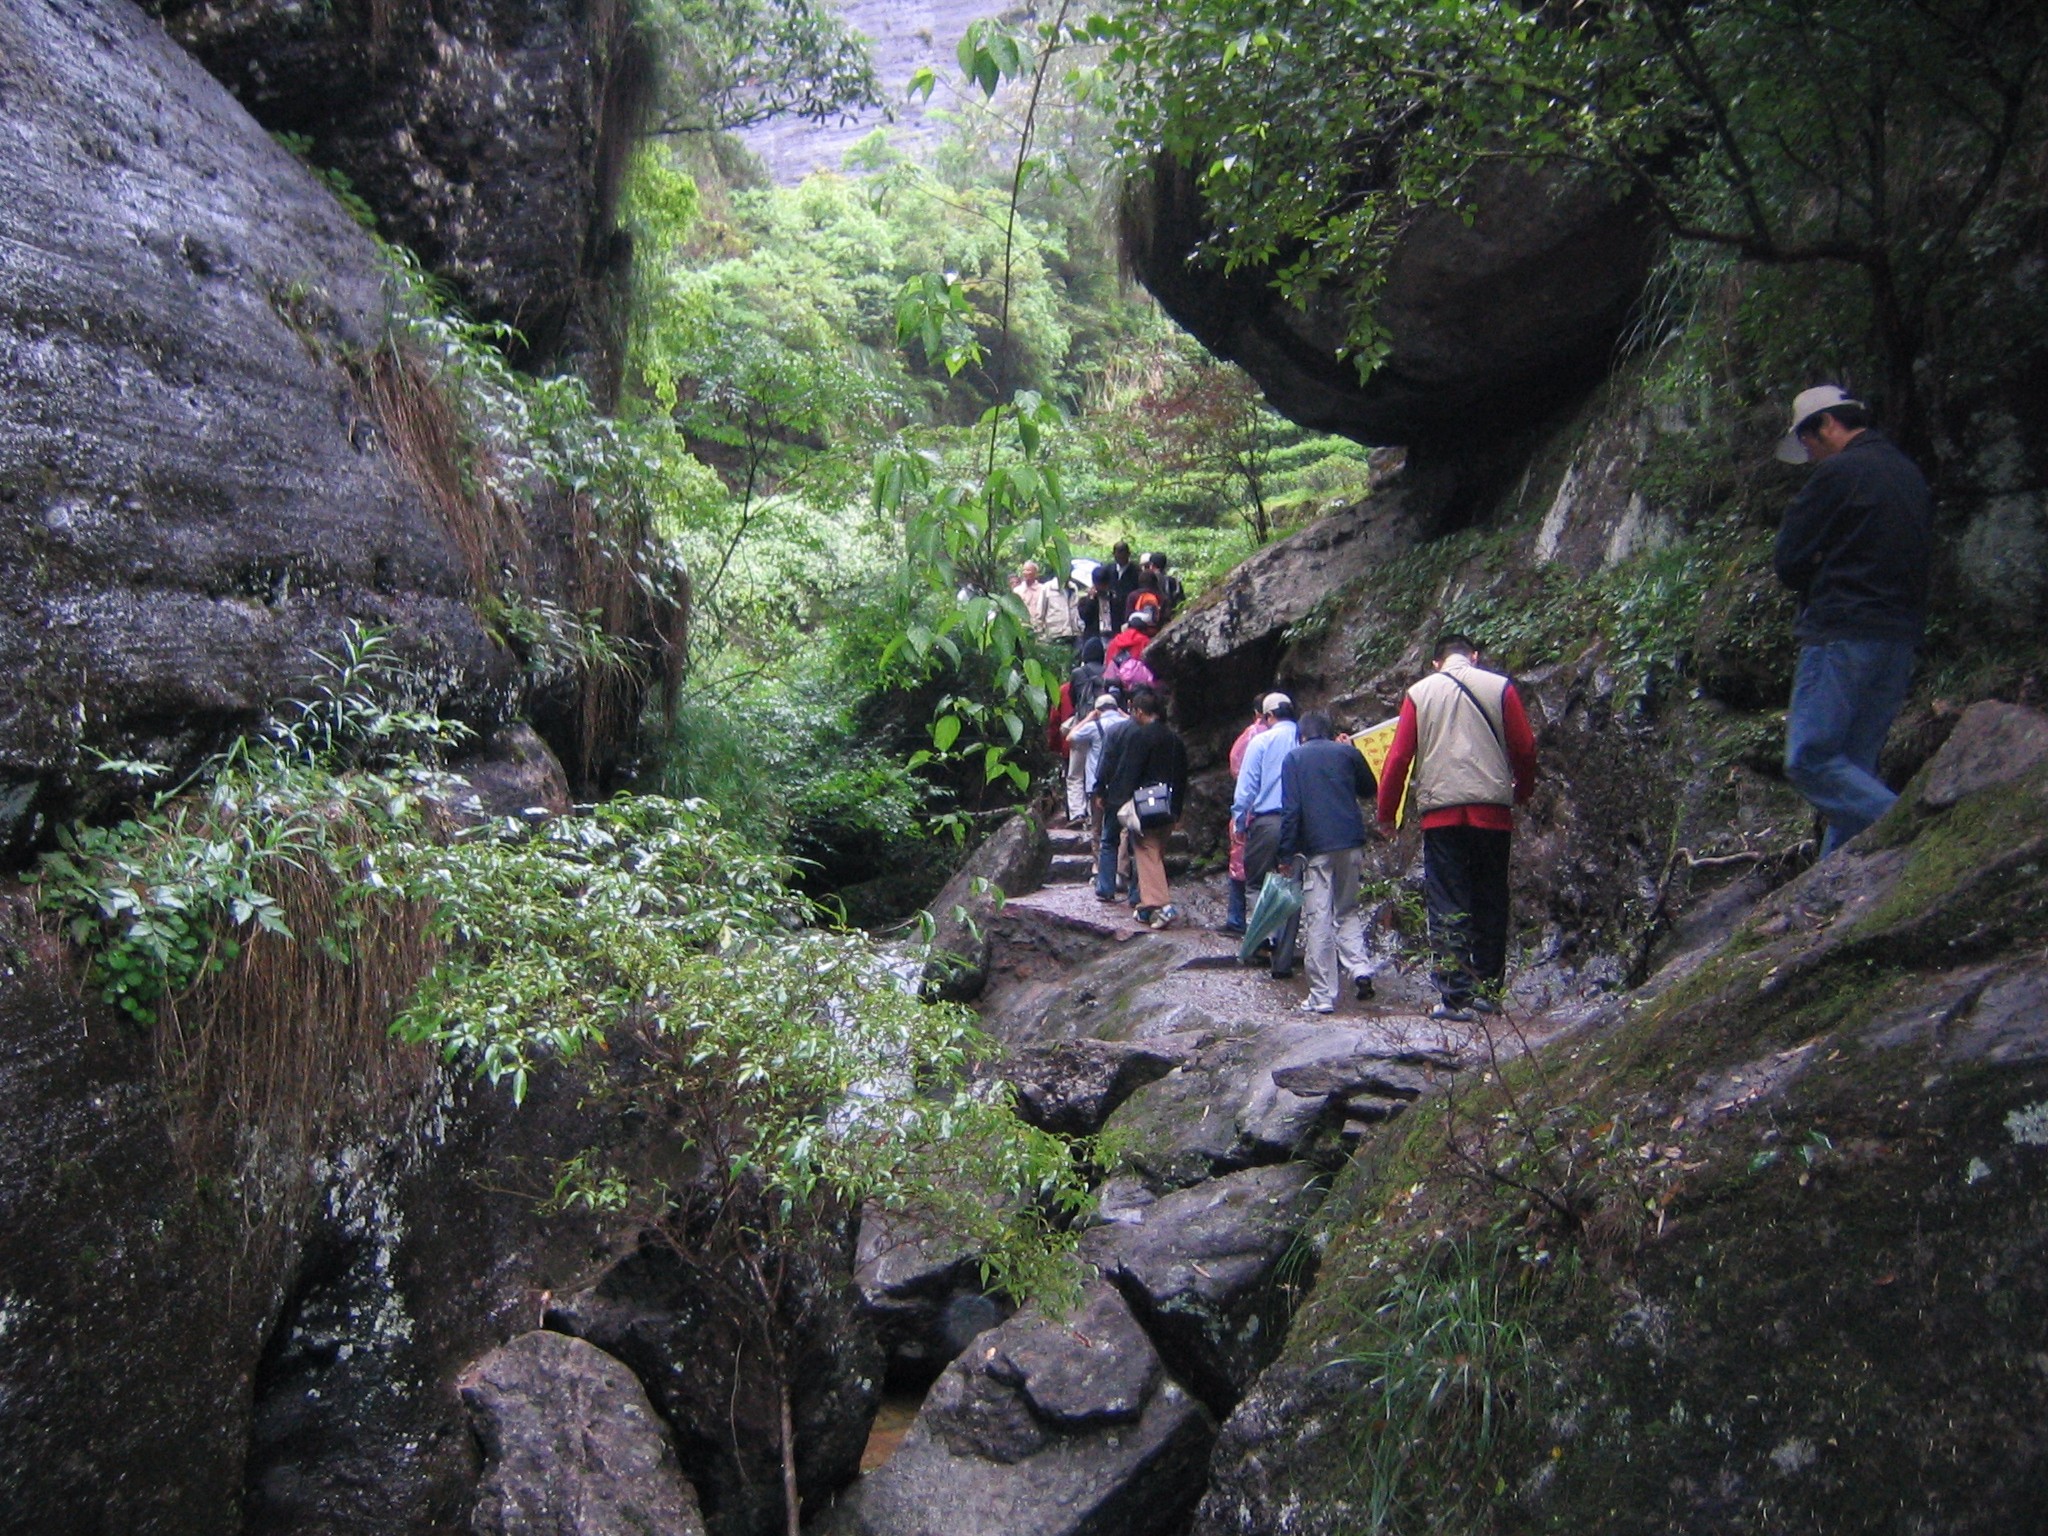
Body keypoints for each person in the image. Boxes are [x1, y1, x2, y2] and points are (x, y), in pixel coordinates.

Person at [1771, 385, 1935, 857]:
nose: (1810, 455)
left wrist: (1821, 560)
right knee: (1854, 771)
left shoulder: (1839, 473)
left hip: (1842, 631)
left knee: (1812, 761)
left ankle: (1920, 835)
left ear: (1825, 424)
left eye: (1809, 443)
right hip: (1898, 637)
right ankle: (1833, 891)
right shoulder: (1907, 473)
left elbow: (1789, 560)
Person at [1376, 635, 1538, 1022]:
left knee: (1447, 899)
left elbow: (1399, 758)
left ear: (1436, 663)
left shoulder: (1419, 693)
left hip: (1442, 814)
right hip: (1492, 811)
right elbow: (1525, 747)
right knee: (1491, 897)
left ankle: (1454, 996)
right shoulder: (1500, 687)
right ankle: (1488, 990)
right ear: (1475, 657)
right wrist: (1523, 790)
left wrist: (1388, 813)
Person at [1277, 711, 1382, 1014]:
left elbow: (1292, 810)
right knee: (1347, 908)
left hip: (1316, 848)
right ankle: (1360, 968)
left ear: (1301, 736)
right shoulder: (1346, 753)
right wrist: (1351, 750)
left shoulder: (1294, 759)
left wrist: (1285, 855)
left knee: (1319, 917)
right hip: (1351, 843)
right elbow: (1368, 788)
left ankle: (1323, 995)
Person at [1096, 685, 1189, 929]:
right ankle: (1147, 907)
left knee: (1146, 853)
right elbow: (1182, 777)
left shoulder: (1141, 736)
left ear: (1138, 711)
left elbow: (1129, 772)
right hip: (1169, 807)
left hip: (1146, 807)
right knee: (1155, 853)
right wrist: (1178, 810)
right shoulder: (1175, 740)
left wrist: (1113, 801)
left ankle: (1161, 904)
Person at [1231, 693, 1301, 978]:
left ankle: (1264, 940)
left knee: (1257, 883)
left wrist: (1239, 820)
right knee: (1291, 887)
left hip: (1267, 821)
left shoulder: (1261, 741)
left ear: (1268, 716)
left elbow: (1246, 787)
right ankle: (1284, 952)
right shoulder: (1303, 739)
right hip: (1300, 822)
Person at [1074, 688, 1132, 903]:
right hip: (1125, 785)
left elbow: (1070, 737)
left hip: (1098, 785)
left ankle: (1101, 873)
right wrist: (1125, 714)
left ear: (1097, 710)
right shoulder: (1127, 725)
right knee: (1125, 830)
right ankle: (1122, 871)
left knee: (1099, 831)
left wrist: (1089, 717)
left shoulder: (1093, 726)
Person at [1219, 696, 1270, 935]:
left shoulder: (1252, 735)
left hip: (1249, 807)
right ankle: (1268, 925)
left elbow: (1235, 765)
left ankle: (1236, 919)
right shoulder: (1288, 735)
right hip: (1275, 811)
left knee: (1239, 864)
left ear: (1256, 712)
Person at [1010, 560, 1065, 640]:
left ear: (1035, 573)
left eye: (1028, 570)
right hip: (1022, 629)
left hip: (1040, 630)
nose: (1026, 572)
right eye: (1024, 570)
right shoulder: (1017, 591)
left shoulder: (1043, 589)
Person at [1074, 564, 1124, 652]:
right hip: (1094, 637)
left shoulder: (1115, 598)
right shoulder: (1085, 600)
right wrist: (1091, 600)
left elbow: (1120, 617)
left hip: (1113, 637)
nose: (1102, 588)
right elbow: (1085, 617)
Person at [1104, 608, 1158, 687]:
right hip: (1138, 686)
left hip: (1116, 684)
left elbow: (1108, 663)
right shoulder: (1145, 641)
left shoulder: (1113, 642)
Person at [1143, 552, 1185, 621]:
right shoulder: (1175, 581)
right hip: (1172, 618)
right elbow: (1181, 601)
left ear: (1152, 565)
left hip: (1154, 619)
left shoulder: (1149, 581)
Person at [1106, 541, 1144, 605]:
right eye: (1118, 554)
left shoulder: (1137, 571)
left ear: (1128, 554)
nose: (1120, 556)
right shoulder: (1108, 569)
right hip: (1112, 606)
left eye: (1123, 554)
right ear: (1113, 554)